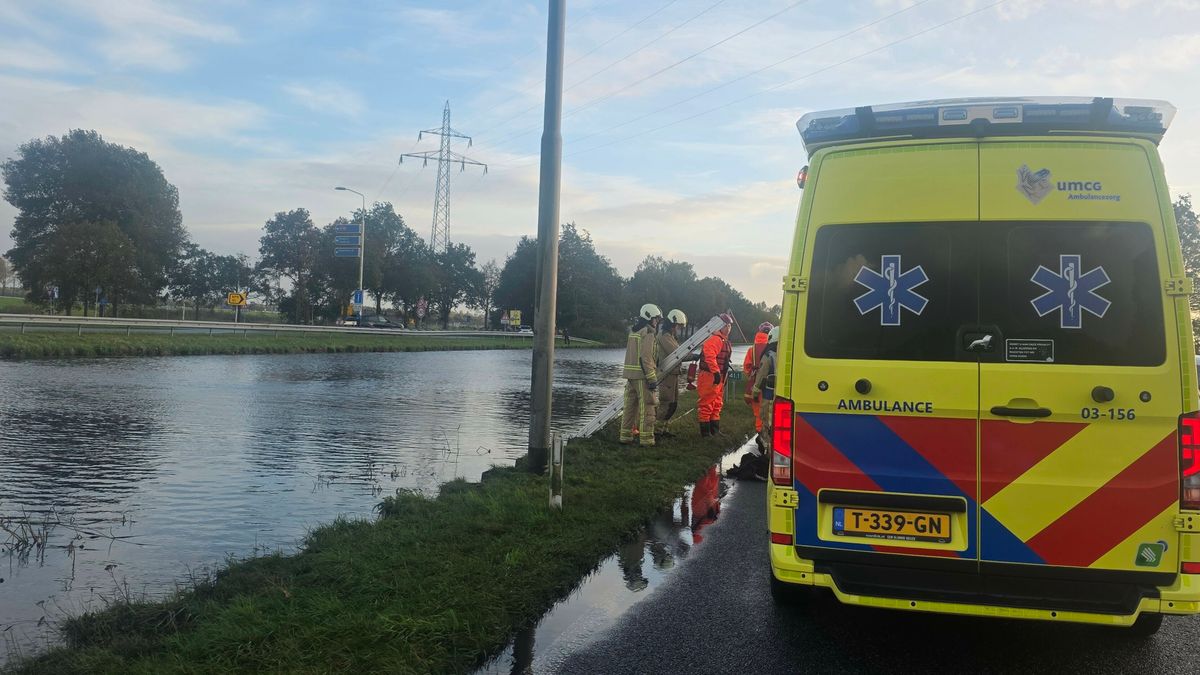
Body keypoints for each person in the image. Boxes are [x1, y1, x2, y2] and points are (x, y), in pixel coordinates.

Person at [620, 303, 662, 446]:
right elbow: (646, 357)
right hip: (642, 376)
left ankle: (625, 437)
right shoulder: (648, 333)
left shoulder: (634, 331)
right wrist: (651, 377)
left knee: (630, 408)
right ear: (649, 317)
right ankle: (647, 440)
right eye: (656, 319)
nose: (656, 322)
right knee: (648, 408)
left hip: (630, 376)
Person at [696, 313, 733, 437]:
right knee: (707, 403)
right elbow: (710, 356)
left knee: (717, 403)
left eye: (729, 326)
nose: (728, 328)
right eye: (726, 325)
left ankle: (715, 431)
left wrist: (721, 376)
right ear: (719, 326)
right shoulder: (715, 339)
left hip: (719, 376)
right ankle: (706, 434)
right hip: (709, 376)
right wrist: (716, 372)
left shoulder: (723, 340)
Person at [655, 309, 687, 438]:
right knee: (666, 402)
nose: (678, 329)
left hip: (673, 373)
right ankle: (656, 431)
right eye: (678, 326)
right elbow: (676, 353)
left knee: (673, 404)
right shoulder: (664, 336)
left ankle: (664, 429)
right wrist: (693, 356)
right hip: (666, 374)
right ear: (673, 324)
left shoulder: (670, 336)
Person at [743, 321, 773, 450]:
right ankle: (768, 438)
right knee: (769, 412)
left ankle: (760, 436)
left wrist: (753, 377)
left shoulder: (752, 349)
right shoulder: (774, 347)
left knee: (758, 413)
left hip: (756, 385)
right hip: (770, 386)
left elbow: (746, 368)